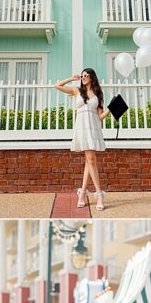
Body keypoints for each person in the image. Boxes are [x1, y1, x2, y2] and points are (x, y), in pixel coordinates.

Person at [56, 69, 110, 210]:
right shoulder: (76, 91)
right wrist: (71, 78)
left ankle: (83, 193)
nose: (84, 77)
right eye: (82, 75)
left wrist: (110, 110)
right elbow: (58, 86)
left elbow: (100, 116)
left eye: (86, 75)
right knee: (90, 160)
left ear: (92, 77)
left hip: (92, 128)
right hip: (81, 128)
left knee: (90, 160)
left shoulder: (98, 95)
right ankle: (98, 194)